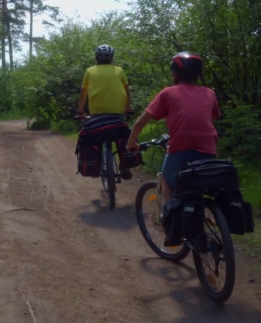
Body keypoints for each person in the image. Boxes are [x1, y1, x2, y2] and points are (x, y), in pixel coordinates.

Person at [126, 52, 221, 204]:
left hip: (180, 149)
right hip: (208, 149)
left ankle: (171, 217)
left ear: (175, 73)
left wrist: (131, 144)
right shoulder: (209, 93)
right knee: (199, 186)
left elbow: (140, 123)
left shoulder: (168, 93)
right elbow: (210, 122)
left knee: (166, 178)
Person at [76, 44, 134, 179]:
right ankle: (125, 166)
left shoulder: (90, 71)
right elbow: (126, 90)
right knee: (121, 136)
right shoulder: (119, 70)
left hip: (97, 112)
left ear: (96, 58)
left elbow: (83, 93)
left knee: (95, 136)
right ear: (112, 59)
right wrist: (128, 107)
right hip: (117, 111)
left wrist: (80, 111)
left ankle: (95, 166)